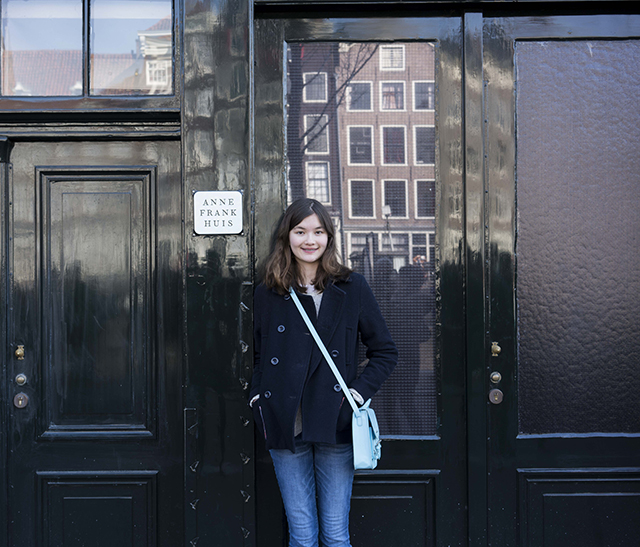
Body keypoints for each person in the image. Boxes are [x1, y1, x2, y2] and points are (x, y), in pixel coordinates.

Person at [249, 198, 398, 547]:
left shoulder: (351, 287)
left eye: (317, 231)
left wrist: (356, 395)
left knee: (335, 534)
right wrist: (258, 398)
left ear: (329, 237)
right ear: (287, 236)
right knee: (302, 536)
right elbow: (258, 355)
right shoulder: (269, 292)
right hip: (286, 423)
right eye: (300, 231)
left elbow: (385, 352)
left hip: (336, 423)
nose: (309, 240)